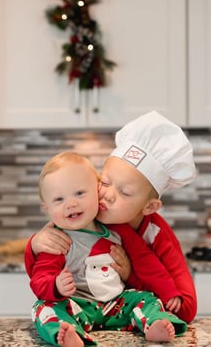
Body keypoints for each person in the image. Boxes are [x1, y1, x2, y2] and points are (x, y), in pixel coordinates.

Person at [25, 111, 197, 323]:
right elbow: (44, 266)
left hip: (121, 313)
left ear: (149, 207)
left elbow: (186, 307)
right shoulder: (86, 214)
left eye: (125, 193)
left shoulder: (157, 236)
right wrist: (34, 245)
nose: (107, 194)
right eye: (104, 182)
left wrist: (130, 277)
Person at [27, 151, 187, 347]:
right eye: (59, 199)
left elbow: (145, 260)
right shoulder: (55, 240)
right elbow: (39, 277)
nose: (71, 203)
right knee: (43, 307)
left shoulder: (118, 230)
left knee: (147, 298)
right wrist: (55, 286)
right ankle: (69, 333)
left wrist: (168, 290)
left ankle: (154, 324)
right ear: (47, 208)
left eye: (79, 193)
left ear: (97, 191)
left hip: (117, 306)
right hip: (78, 306)